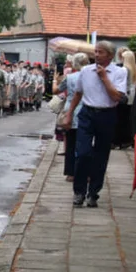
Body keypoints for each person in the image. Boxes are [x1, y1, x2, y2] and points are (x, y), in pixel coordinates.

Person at [62, 41, 128, 208]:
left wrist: (105, 78)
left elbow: (116, 97)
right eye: (96, 52)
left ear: (110, 56)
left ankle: (93, 193)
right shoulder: (86, 71)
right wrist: (69, 115)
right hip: (87, 113)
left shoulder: (120, 72)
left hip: (107, 114)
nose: (96, 55)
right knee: (83, 153)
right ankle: (79, 192)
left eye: (101, 52)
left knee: (101, 155)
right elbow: (78, 93)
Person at [59, 53, 88, 181]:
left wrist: (56, 79)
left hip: (71, 109)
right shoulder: (91, 76)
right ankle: (86, 172)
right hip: (86, 110)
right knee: (86, 144)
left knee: (70, 143)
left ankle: (71, 172)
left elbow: (59, 89)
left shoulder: (70, 77)